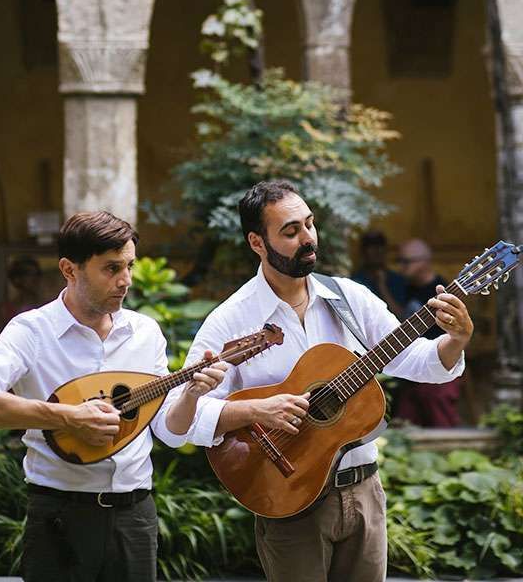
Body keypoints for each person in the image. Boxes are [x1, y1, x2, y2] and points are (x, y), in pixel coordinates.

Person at [171, 180, 473, 582]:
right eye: (291, 232)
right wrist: (259, 409)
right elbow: (180, 417)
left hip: (364, 493)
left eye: (309, 225)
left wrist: (456, 340)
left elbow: (416, 361)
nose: (307, 238)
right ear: (257, 243)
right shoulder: (231, 319)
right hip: (289, 498)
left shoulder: (349, 298)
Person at [0, 210, 227, 582]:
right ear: (70, 270)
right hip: (60, 515)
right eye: (111, 268)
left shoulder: (145, 332)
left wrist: (193, 395)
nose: (126, 281)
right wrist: (67, 418)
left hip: (136, 516)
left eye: (130, 266)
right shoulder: (32, 331)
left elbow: (170, 431)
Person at [394, 238, 462, 427]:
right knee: (406, 422)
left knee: (441, 422)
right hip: (412, 365)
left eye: (405, 261)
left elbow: (457, 331)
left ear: (423, 261)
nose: (401, 267)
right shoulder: (409, 288)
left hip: (438, 362)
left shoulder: (443, 288)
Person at [351, 230, 406, 318]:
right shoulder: (355, 281)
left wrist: (382, 286)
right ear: (364, 252)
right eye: (371, 247)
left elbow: (401, 316)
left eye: (380, 246)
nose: (376, 251)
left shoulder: (397, 279)